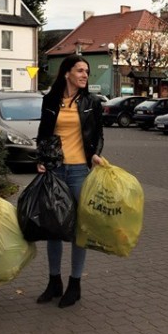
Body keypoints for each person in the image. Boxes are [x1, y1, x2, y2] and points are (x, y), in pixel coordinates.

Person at [35, 54, 104, 308]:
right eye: (80, 70)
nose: (85, 75)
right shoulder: (51, 100)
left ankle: (75, 284)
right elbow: (43, 133)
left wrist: (95, 154)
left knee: (78, 229)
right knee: (54, 227)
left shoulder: (91, 102)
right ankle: (55, 282)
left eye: (87, 71)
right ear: (67, 73)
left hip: (78, 172)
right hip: (54, 170)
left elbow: (97, 135)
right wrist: (41, 159)